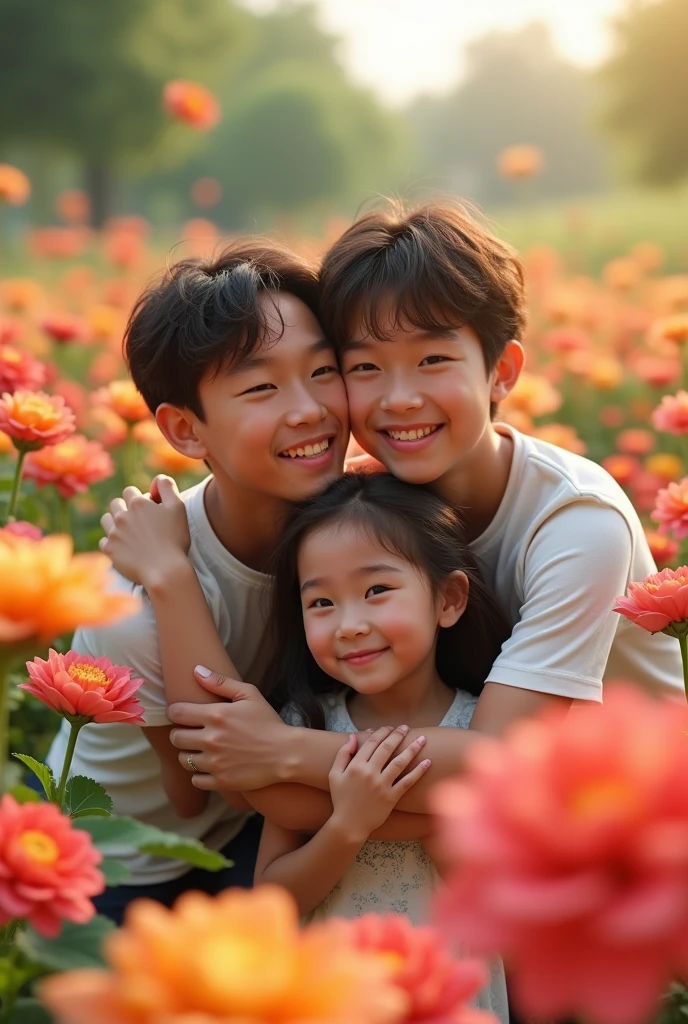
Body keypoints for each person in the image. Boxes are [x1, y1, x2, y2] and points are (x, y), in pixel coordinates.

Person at [116, 200, 679, 823]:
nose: (400, 398)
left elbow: (500, 758)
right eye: (363, 367)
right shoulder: (365, 507)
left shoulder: (579, 525)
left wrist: (285, 750)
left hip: (633, 819)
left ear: (503, 372)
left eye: (433, 360)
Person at [46, 239, 352, 923]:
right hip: (131, 864)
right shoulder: (133, 602)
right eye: (261, 387)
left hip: (257, 834)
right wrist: (171, 578)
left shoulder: (358, 533)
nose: (309, 409)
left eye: (324, 370)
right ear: (185, 430)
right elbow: (195, 794)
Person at [253, 472, 510, 1022]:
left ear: (449, 598)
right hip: (332, 997)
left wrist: (432, 820)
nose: (349, 624)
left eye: (376, 591)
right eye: (321, 602)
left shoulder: (479, 726)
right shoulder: (307, 724)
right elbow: (269, 906)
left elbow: (505, 907)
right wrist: (347, 827)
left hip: (452, 995)